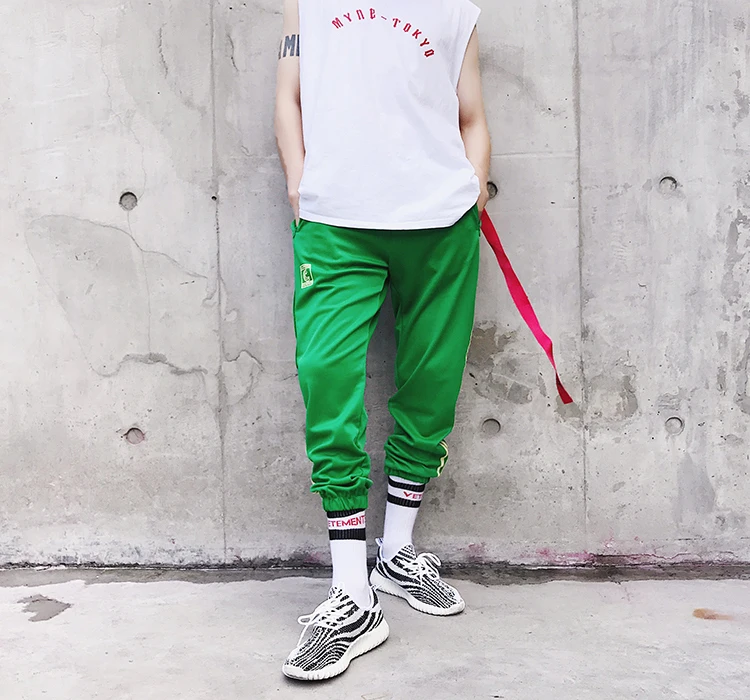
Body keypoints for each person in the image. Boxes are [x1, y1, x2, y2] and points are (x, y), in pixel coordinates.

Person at [274, 0, 490, 681]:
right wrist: (299, 187)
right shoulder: (307, 4)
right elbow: (288, 97)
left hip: (441, 221)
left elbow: (472, 116)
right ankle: (352, 593)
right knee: (327, 379)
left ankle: (396, 553)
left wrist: (473, 193)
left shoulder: (456, 11)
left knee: (432, 382)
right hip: (337, 226)